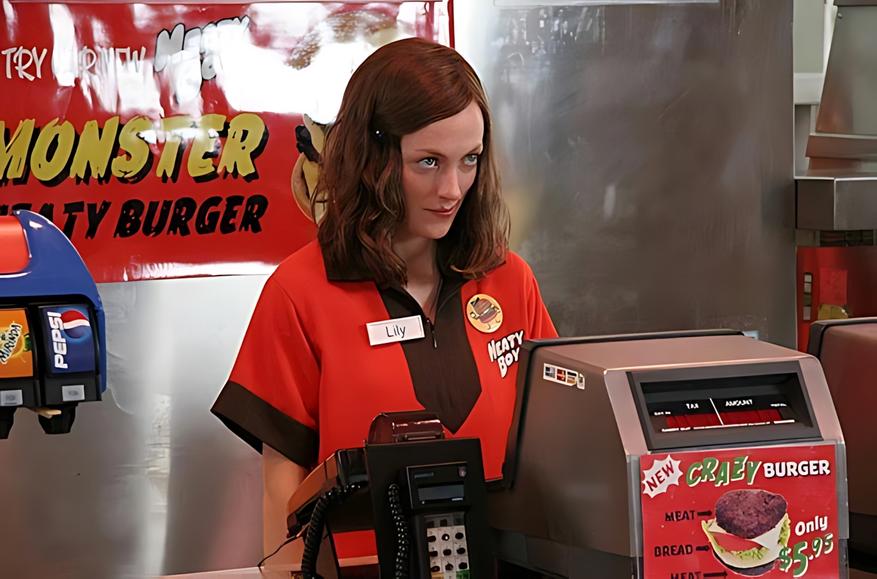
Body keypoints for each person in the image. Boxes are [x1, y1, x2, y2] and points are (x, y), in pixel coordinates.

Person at [211, 37, 557, 565]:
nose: (452, 189)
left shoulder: (510, 280)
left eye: (469, 160)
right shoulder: (299, 292)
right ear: (372, 160)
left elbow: (555, 445)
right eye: (428, 162)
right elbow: (283, 499)